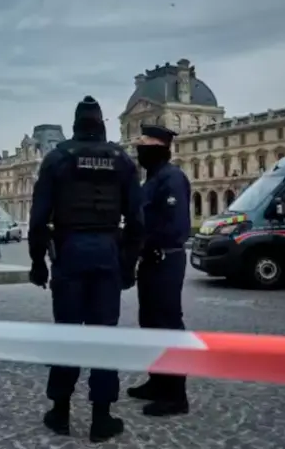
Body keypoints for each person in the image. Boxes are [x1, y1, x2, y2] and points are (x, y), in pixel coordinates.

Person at [28, 96, 144, 444]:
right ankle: (101, 417)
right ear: (102, 125)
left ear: (76, 125)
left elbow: (37, 221)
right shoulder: (122, 160)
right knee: (104, 336)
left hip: (69, 251)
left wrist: (37, 263)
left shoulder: (57, 158)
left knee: (67, 333)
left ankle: (60, 412)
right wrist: (128, 265)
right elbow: (137, 222)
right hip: (107, 249)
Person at [126, 125, 192, 417]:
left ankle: (176, 394)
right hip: (152, 260)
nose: (139, 150)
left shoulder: (172, 178)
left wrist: (148, 243)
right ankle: (157, 381)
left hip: (166, 258)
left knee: (167, 325)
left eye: (144, 144)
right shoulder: (152, 179)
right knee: (150, 323)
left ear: (160, 148)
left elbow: (175, 226)